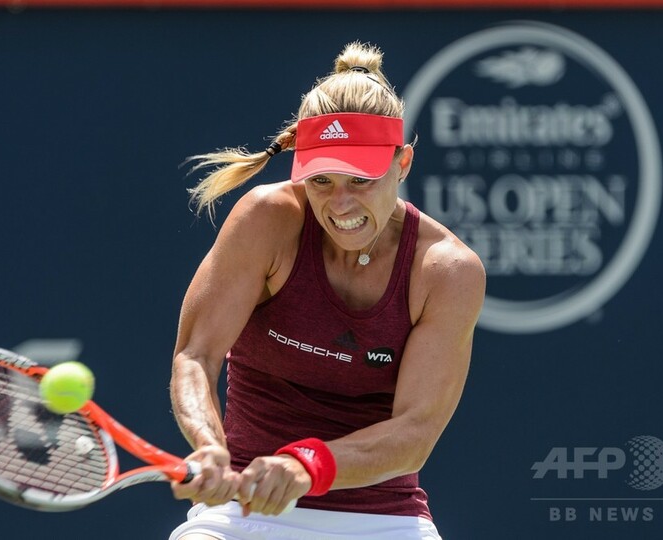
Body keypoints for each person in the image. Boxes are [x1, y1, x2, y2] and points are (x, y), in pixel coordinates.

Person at [168, 41, 485, 540]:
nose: (340, 204)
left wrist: (305, 465)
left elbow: (415, 433)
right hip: (242, 511)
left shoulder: (447, 270)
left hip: (383, 520)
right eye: (321, 181)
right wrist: (210, 446)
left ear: (402, 164)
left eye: (360, 180)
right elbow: (195, 356)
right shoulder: (267, 219)